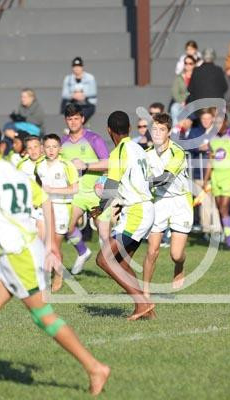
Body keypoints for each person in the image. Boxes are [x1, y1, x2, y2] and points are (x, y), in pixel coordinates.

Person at [0, 124, 110, 397]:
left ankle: (95, 367)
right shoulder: (14, 169)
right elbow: (44, 199)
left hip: (19, 254)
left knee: (43, 316)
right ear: (1, 146)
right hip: (16, 252)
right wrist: (51, 244)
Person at [91, 111, 155, 320]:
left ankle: (142, 304)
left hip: (136, 211)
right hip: (143, 208)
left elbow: (111, 184)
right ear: (129, 128)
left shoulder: (119, 151)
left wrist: (100, 208)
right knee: (120, 261)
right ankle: (147, 310)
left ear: (109, 130)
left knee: (104, 259)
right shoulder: (138, 149)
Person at [143, 113, 192, 297]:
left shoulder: (177, 152)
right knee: (152, 251)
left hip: (180, 202)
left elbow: (165, 178)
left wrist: (141, 182)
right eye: (154, 129)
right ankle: (145, 293)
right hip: (159, 202)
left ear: (169, 132)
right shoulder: (146, 155)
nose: (157, 133)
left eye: (161, 129)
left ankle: (180, 265)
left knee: (176, 255)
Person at [60, 103, 110, 274]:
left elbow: (108, 163)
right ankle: (83, 252)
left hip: (96, 195)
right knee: (67, 226)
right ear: (66, 120)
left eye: (76, 118)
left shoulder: (94, 139)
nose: (73, 122)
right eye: (69, 119)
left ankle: (114, 267)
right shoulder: (62, 142)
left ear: (82, 119)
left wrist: (86, 165)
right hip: (76, 195)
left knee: (104, 234)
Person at [35, 133, 79, 290]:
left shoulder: (67, 165)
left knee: (54, 246)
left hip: (61, 207)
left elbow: (75, 188)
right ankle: (43, 276)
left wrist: (53, 190)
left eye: (54, 147)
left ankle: (58, 274)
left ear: (60, 148)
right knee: (41, 242)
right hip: (43, 207)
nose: (51, 150)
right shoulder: (39, 165)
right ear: (43, 148)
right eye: (48, 147)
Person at [202, 114, 230, 249]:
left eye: (220, 122)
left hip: (229, 176)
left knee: (224, 208)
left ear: (226, 122)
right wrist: (205, 180)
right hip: (216, 177)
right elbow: (210, 161)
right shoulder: (212, 138)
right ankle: (228, 238)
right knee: (220, 209)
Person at [185, 108, 219, 235]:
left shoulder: (217, 132)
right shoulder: (195, 132)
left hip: (216, 173)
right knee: (204, 200)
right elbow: (187, 146)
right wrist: (199, 148)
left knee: (214, 202)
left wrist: (210, 147)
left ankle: (216, 229)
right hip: (199, 172)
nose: (206, 121)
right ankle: (208, 229)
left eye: (208, 118)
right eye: (203, 118)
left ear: (213, 119)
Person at [17, 136, 46, 239]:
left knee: (41, 236)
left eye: (35, 147)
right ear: (26, 150)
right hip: (28, 206)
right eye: (30, 148)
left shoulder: (49, 162)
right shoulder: (22, 165)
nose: (33, 151)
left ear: (41, 147)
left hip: (45, 205)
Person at [61, 57, 98, 122]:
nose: (77, 68)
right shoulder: (68, 79)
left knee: (79, 117)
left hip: (87, 105)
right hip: (73, 104)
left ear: (82, 67)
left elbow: (93, 92)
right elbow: (64, 94)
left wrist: (83, 95)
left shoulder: (90, 78)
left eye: (79, 66)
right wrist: (73, 96)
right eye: (75, 66)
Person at [171, 54, 196, 124]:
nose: (188, 65)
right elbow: (175, 91)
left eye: (190, 63)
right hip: (181, 102)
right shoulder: (179, 77)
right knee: (174, 108)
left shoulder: (197, 76)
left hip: (193, 102)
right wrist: (181, 101)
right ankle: (176, 128)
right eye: (186, 63)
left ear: (194, 64)